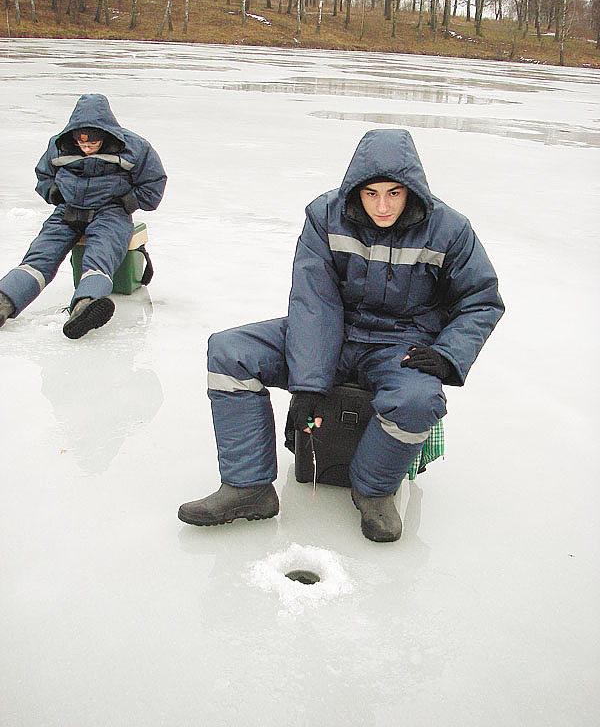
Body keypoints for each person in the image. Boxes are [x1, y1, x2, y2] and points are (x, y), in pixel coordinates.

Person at [178, 129, 504, 542]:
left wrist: (446, 355)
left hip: (400, 344)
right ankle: (248, 487)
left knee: (418, 400)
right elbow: (315, 300)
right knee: (230, 352)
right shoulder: (325, 215)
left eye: (393, 193)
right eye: (370, 194)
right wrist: (309, 384)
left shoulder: (450, 230)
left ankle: (374, 492)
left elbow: (481, 300)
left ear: (413, 192)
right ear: (355, 190)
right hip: (329, 332)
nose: (382, 206)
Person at [0, 94, 166, 339]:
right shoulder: (58, 144)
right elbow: (44, 176)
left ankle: (85, 306)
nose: (86, 148)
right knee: (40, 255)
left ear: (105, 134)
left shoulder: (135, 147)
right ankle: (4, 301)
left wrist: (126, 203)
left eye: (93, 144)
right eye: (82, 143)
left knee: (101, 256)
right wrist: (56, 194)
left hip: (110, 211)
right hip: (68, 209)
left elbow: (153, 184)